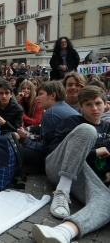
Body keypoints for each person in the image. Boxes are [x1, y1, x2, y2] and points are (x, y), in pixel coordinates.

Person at [32, 85, 110, 243]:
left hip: (84, 175)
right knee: (88, 130)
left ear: (105, 104)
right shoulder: (72, 121)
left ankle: (64, 232)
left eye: (98, 103)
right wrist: (95, 152)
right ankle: (62, 191)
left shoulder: (109, 128)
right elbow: (55, 150)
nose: (94, 108)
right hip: (58, 167)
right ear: (81, 107)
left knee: (106, 201)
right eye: (88, 104)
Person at [18, 81, 80, 171]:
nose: (37, 98)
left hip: (64, 158)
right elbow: (46, 138)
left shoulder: (51, 114)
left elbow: (47, 147)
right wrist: (28, 135)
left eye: (40, 94)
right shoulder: (62, 107)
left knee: (21, 152)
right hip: (68, 151)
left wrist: (27, 140)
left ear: (52, 95)